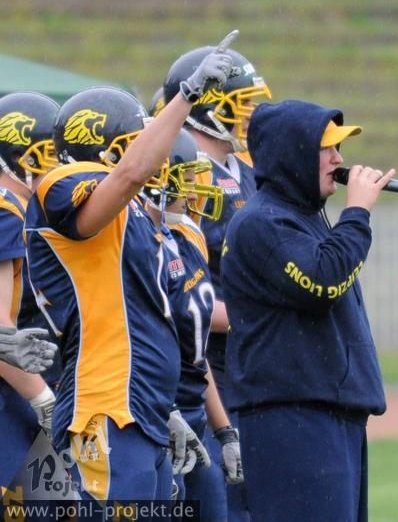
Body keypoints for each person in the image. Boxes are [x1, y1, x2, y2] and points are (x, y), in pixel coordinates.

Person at [23, 35, 237, 506]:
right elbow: (130, 175)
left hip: (144, 408)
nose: (157, 155)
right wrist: (186, 97)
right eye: (137, 143)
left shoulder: (139, 218)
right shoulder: (62, 184)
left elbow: (148, 318)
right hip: (106, 405)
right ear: (105, 150)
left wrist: (168, 407)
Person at [221, 99, 393, 521]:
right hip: (293, 420)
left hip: (325, 418)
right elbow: (324, 281)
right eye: (326, 148)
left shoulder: (302, 217)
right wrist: (357, 213)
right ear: (291, 154)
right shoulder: (262, 223)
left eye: (338, 148)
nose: (338, 159)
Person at [162, 44, 271, 521]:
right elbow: (180, 290)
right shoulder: (184, 175)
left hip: (250, 358)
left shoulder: (246, 169)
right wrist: (261, 317)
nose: (249, 114)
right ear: (206, 107)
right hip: (206, 365)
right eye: (238, 103)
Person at [142, 129, 243, 518]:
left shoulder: (188, 233)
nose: (196, 190)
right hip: (156, 416)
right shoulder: (138, 239)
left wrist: (223, 429)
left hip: (195, 416)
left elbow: (195, 353)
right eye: (186, 178)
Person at [0, 91, 60, 493]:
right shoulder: (7, 211)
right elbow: (0, 327)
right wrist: (44, 400)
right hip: (13, 388)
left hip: (18, 382)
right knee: (34, 504)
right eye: (49, 154)